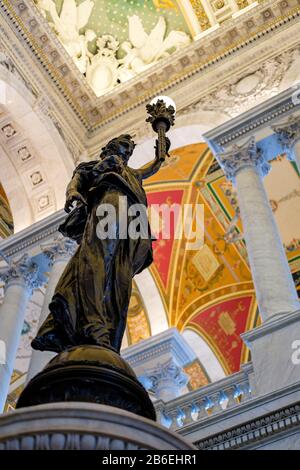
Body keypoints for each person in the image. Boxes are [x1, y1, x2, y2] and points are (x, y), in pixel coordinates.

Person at [32, 134, 169, 354]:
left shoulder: (130, 173)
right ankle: (92, 324)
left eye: (129, 151)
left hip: (133, 219)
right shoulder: (95, 166)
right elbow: (76, 183)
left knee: (120, 276)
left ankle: (108, 329)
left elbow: (150, 169)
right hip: (109, 205)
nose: (126, 152)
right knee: (98, 260)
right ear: (109, 147)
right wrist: (73, 194)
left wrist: (161, 153)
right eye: (124, 147)